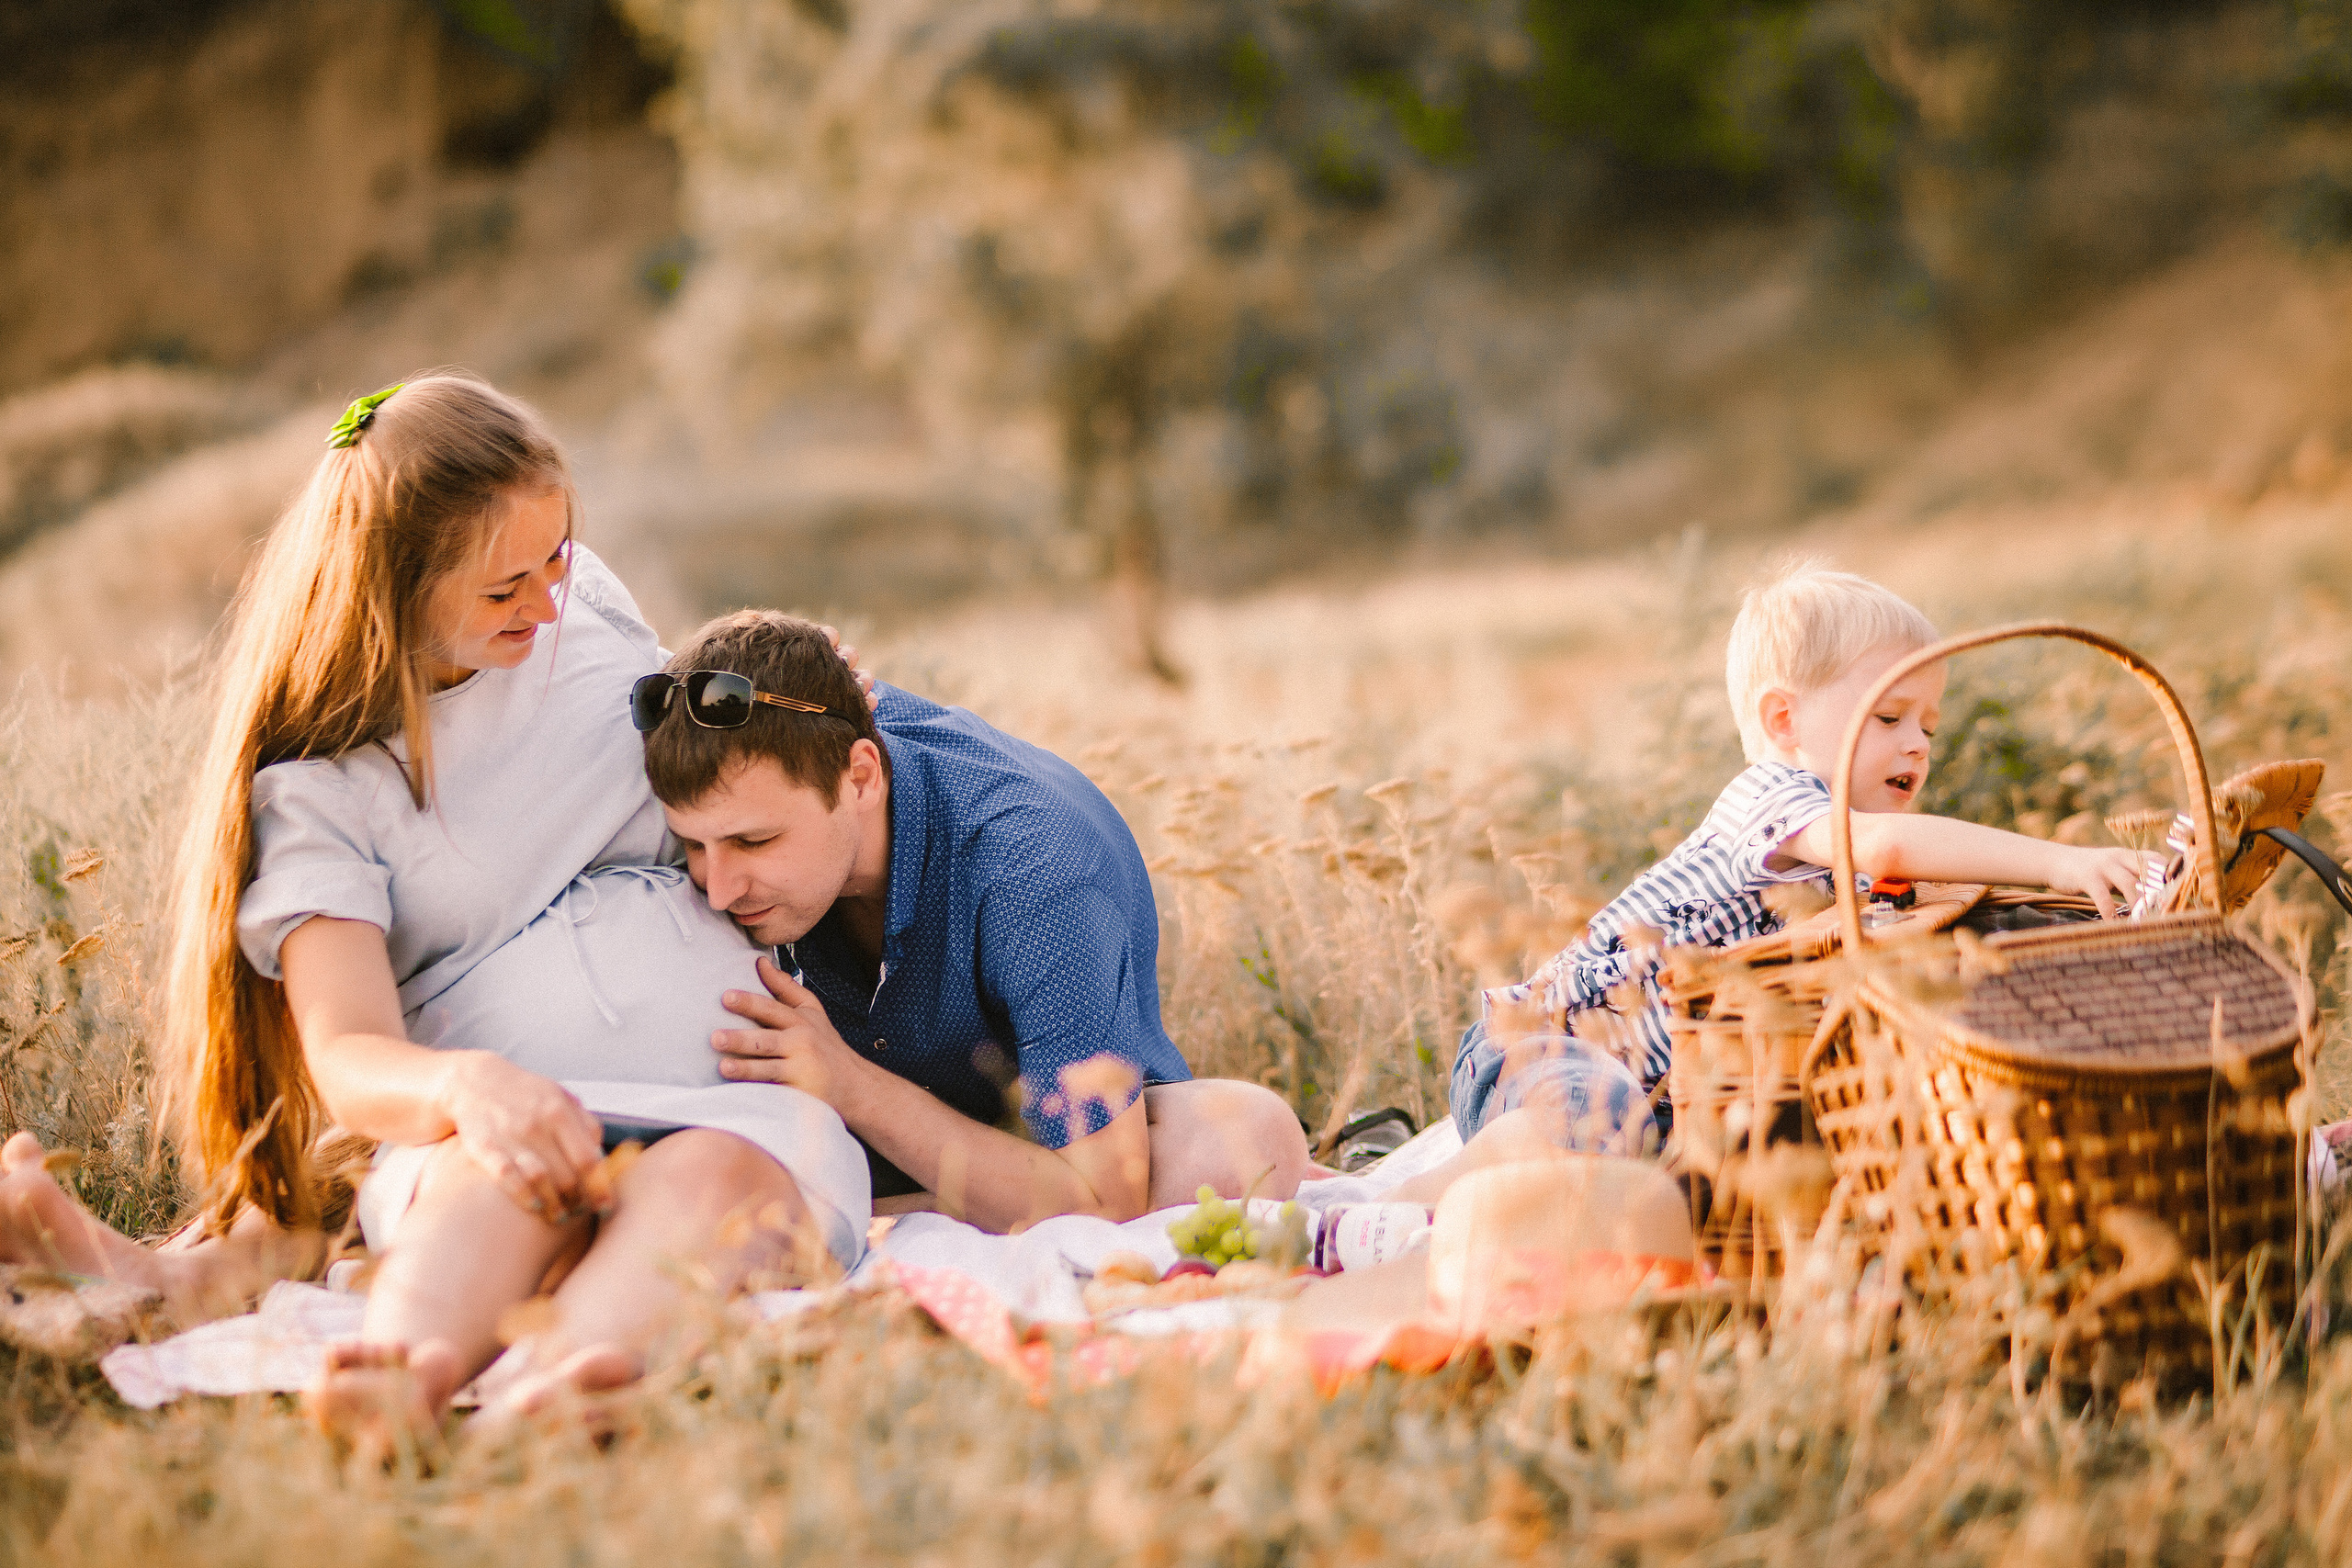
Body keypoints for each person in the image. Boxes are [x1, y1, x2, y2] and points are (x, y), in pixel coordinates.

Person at [155, 371, 869, 1444]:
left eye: (558, 558)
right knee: (497, 1186)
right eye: (502, 591)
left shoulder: (581, 609)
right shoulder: (322, 789)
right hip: (508, 1118)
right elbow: (346, 1054)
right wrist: (471, 1091)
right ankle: (398, 1378)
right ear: (390, 590)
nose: (545, 603)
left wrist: (801, 711)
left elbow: (707, 758)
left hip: (735, 1109)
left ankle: (549, 1395)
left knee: (711, 1177)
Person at [1433, 561, 2153, 1179]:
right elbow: (1891, 847)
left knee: (1657, 1164)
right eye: (1891, 717)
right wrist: (2062, 860)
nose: (1918, 746)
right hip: (1529, 1048)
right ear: (1784, 722)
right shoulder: (1773, 798)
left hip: (1651, 1087)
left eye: (1929, 727)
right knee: (1607, 1128)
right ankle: (1404, 1208)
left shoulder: (1843, 868)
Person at [638, 611, 1317, 1233]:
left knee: (1239, 1143)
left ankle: (873, 1218)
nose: (718, 890)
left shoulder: (1038, 873)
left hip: (1040, 1141)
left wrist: (849, 1083)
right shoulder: (797, 732)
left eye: (754, 843)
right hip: (843, 1142)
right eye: (695, 846)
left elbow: (1108, 1197)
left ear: (862, 777)